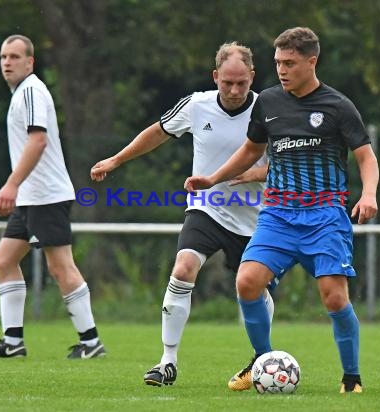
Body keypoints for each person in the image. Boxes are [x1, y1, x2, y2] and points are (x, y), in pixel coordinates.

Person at [185, 27, 379, 394]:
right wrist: (213, 179)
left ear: (311, 61)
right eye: (277, 63)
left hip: (324, 215)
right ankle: (264, 362)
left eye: (289, 63)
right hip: (277, 215)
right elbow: (250, 150)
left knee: (334, 296)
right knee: (246, 281)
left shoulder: (337, 106)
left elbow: (365, 156)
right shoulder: (269, 103)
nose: (282, 70)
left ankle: (351, 378)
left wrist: (368, 194)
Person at [90, 42, 274, 387]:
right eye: (227, 83)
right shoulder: (196, 105)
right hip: (207, 209)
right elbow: (157, 132)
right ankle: (167, 361)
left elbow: (284, 163)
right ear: (215, 77)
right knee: (184, 267)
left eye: (242, 83)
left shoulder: (270, 109)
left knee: (253, 289)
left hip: (257, 217)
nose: (234, 91)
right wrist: (117, 159)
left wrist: (250, 175)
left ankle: (261, 358)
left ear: (252, 77)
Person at [0, 34, 105, 359]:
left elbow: (38, 141)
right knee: (4, 260)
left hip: (45, 195)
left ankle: (91, 343)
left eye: (15, 57)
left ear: (30, 62)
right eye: (4, 57)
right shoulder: (21, 94)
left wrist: (11, 184)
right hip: (31, 197)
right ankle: (13, 342)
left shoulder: (31, 90)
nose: (7, 62)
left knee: (60, 267)